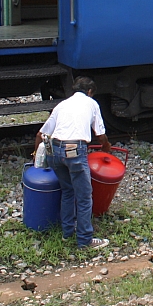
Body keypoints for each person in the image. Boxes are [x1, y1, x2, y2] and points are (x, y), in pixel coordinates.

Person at [34, 77, 111, 249]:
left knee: (67, 191)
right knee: (84, 197)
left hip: (54, 151)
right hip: (74, 151)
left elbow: (40, 135)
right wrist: (106, 146)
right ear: (90, 92)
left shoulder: (62, 105)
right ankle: (84, 240)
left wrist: (35, 156)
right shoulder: (91, 104)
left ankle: (67, 233)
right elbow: (100, 134)